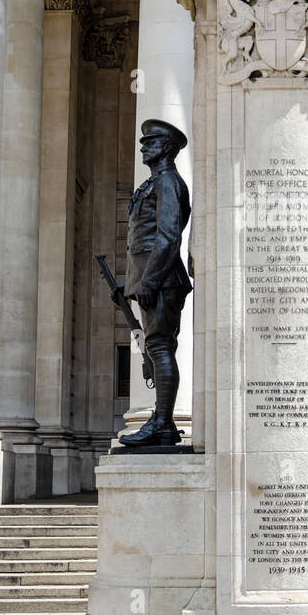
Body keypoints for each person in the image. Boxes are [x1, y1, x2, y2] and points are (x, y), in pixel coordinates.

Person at [119, 119, 192, 448]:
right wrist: (132, 282)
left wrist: (148, 281)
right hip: (150, 277)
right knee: (157, 346)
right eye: (144, 141)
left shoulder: (166, 183)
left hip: (161, 279)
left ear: (167, 148)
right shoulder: (154, 183)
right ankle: (162, 423)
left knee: (160, 347)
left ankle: (162, 422)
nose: (143, 146)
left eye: (151, 142)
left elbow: (167, 237)